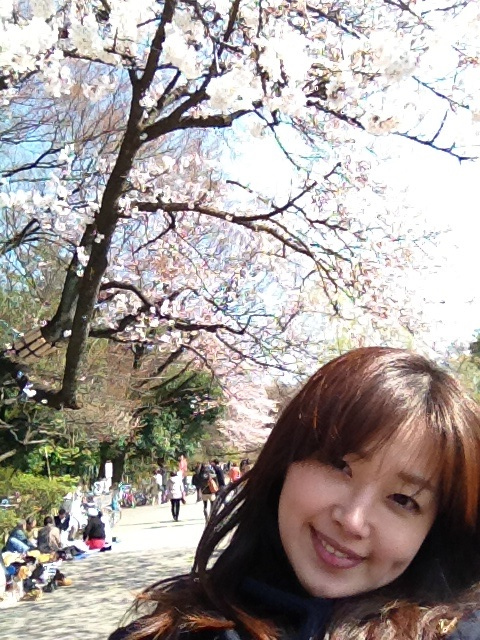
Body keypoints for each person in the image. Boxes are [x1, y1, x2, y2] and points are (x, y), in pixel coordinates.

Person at [110, 347, 480, 640]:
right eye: (339, 465)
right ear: (287, 459)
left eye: (403, 499)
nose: (352, 521)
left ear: (436, 530)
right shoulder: (171, 630)